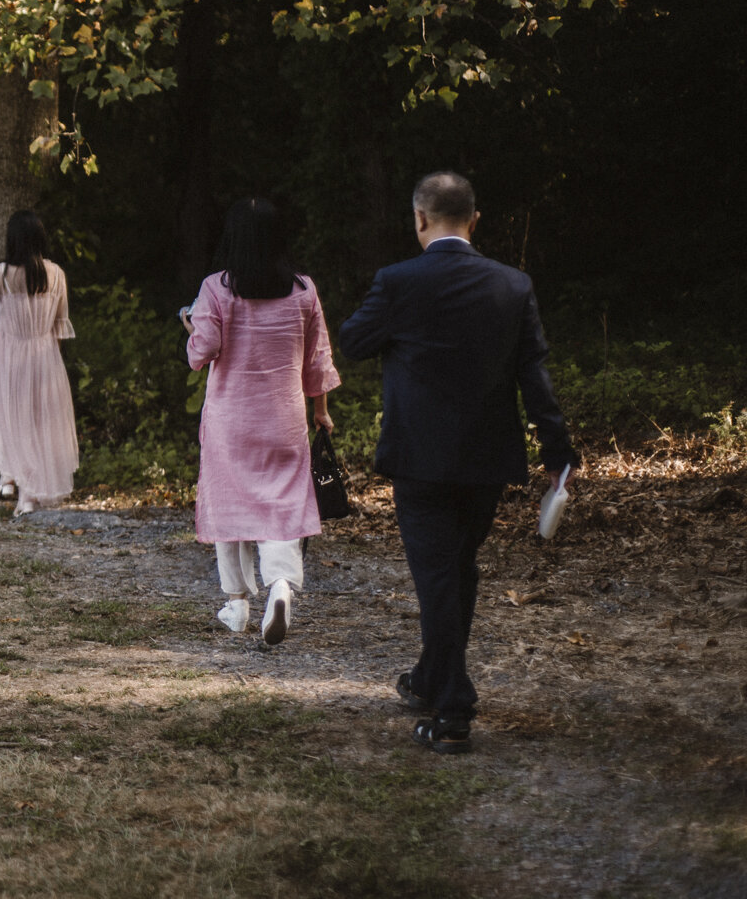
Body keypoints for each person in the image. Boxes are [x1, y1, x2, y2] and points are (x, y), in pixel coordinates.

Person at [339, 171, 576, 755]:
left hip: (420, 459)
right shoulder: (512, 285)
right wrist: (557, 451)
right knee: (457, 571)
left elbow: (353, 341)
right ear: (474, 220)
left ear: (420, 219)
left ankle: (452, 710)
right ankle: (428, 678)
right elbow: (534, 375)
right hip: (487, 460)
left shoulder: (398, 282)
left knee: (441, 577)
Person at [183, 198, 340, 644]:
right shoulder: (304, 290)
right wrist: (321, 411)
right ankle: (282, 586)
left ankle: (236, 605)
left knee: (230, 505)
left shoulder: (216, 288)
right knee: (282, 507)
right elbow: (318, 358)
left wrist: (189, 322)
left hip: (231, 420)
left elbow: (201, 353)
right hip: (285, 418)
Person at [0, 210, 79, 517]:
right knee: (40, 421)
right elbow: (61, 325)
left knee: (11, 417)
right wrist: (49, 352)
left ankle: (16, 483)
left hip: (10, 353)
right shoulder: (56, 273)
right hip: (44, 353)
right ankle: (26, 490)